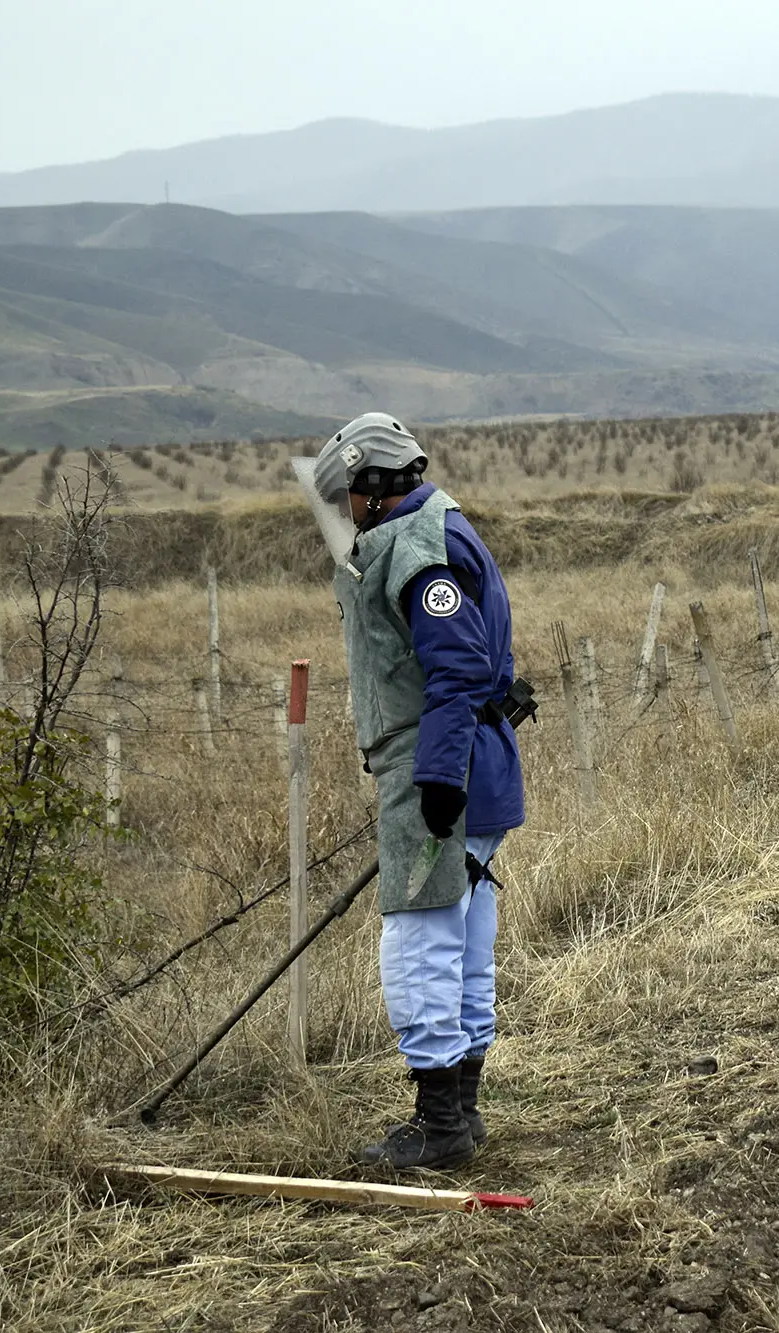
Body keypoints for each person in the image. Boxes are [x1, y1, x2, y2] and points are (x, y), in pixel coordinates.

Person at [301, 412, 527, 1171]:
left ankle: (439, 1128)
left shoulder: (413, 546)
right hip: (475, 760)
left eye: (347, 500)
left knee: (419, 943)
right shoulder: (445, 523)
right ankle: (460, 1112)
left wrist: (433, 777)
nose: (345, 515)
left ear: (370, 484)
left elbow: (457, 665)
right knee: (464, 942)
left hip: (442, 768)